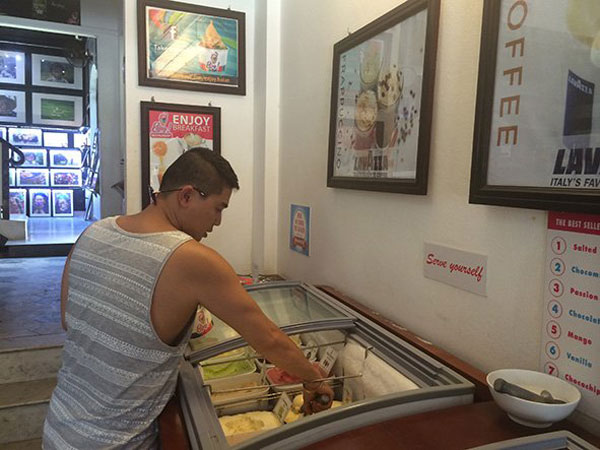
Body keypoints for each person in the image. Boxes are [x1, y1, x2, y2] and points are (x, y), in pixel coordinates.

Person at [42, 147, 333, 449]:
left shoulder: (92, 232)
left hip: (60, 426)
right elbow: (269, 339)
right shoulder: (191, 258)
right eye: (218, 208)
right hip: (116, 441)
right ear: (186, 196)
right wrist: (312, 379)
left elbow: (70, 319)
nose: (218, 221)